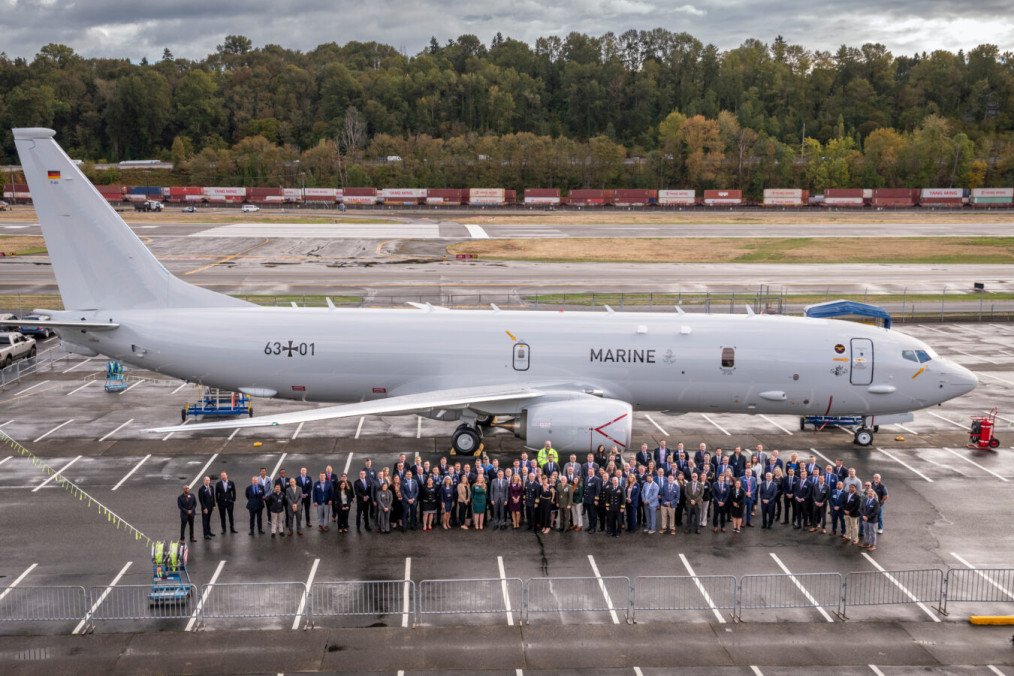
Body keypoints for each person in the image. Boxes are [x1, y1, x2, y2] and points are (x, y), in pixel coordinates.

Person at [582, 467, 601, 533]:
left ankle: (593, 528)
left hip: (593, 500)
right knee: (589, 514)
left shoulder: (597, 479)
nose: (590, 472)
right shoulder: (586, 478)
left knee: (593, 514)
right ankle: (590, 526)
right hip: (587, 500)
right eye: (589, 471)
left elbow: (598, 490)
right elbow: (585, 488)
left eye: (591, 471)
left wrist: (596, 500)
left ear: (594, 472)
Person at [197, 476, 216, 540]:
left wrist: (213, 505)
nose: (208, 481)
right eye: (206, 480)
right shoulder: (201, 489)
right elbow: (201, 500)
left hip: (210, 507)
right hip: (205, 508)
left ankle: (209, 532)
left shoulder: (211, 487)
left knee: (208, 520)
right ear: (204, 481)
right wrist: (204, 508)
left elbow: (213, 497)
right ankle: (205, 534)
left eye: (209, 480)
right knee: (205, 521)